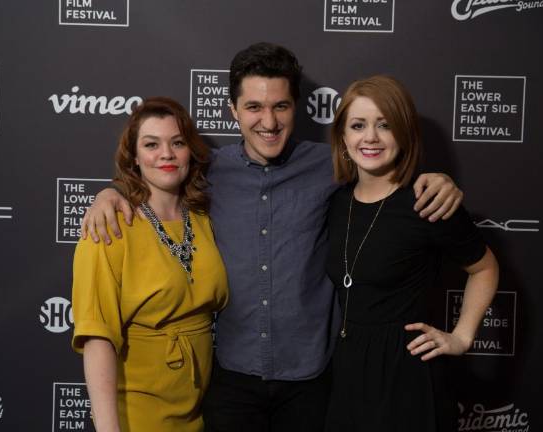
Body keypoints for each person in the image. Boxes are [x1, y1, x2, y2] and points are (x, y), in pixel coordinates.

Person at [81, 43, 463, 431]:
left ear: (295, 107)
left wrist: (436, 180)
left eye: (280, 106)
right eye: (254, 107)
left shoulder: (330, 164)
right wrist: (110, 193)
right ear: (233, 110)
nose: (269, 121)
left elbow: (381, 167)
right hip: (231, 376)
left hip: (311, 380)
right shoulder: (207, 170)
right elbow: (160, 171)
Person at [325, 75, 499, 431]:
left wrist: (462, 336)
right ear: (343, 137)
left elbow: (484, 268)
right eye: (358, 125)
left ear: (404, 134)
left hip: (406, 375)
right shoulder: (336, 202)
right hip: (345, 370)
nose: (370, 137)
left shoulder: (428, 203)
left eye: (384, 125)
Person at [71, 97, 229, 432]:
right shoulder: (109, 226)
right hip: (137, 413)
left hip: (200, 410)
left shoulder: (203, 218)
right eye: (151, 144)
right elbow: (97, 337)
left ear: (191, 151)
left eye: (178, 143)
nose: (166, 154)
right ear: (134, 156)